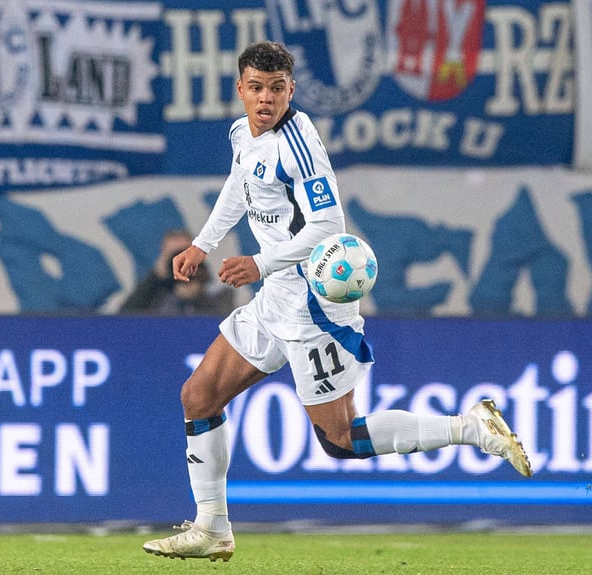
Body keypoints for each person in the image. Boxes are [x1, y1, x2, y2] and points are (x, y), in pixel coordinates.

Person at [142, 41, 532, 562]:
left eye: (276, 89)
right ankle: (212, 527)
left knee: (341, 439)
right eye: (256, 88)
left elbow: (328, 227)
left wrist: (260, 262)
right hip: (274, 299)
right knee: (199, 397)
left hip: (313, 307)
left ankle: (472, 429)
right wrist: (203, 244)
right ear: (240, 89)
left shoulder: (299, 145)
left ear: (291, 90)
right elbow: (240, 187)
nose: (265, 99)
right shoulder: (243, 133)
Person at [120, 229, 234, 316]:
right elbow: (125, 317)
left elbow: (221, 321)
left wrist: (198, 292)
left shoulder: (216, 292)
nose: (180, 263)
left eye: (185, 254)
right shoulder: (153, 293)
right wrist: (155, 278)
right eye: (173, 256)